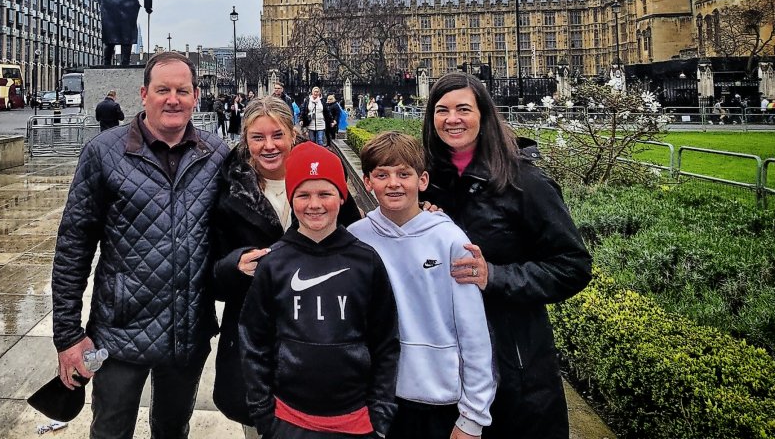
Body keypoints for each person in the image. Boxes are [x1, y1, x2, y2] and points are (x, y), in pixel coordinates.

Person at [51, 51, 229, 439]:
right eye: (163, 89)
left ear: (195, 96)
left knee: (173, 429)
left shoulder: (216, 156)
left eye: (182, 90)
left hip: (188, 332)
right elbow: (73, 246)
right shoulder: (103, 152)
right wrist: (67, 334)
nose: (173, 99)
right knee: (111, 431)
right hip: (119, 333)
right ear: (144, 93)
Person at [421, 72, 591, 439]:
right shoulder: (429, 181)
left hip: (516, 367)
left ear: (483, 114)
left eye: (463, 109)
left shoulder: (524, 182)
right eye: (442, 110)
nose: (452, 119)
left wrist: (494, 276)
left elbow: (573, 266)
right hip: (447, 368)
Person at [211, 97, 361, 434]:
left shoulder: (323, 173)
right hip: (256, 340)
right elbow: (212, 273)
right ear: (245, 139)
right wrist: (235, 265)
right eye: (257, 137)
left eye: (277, 135)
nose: (269, 146)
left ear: (293, 133)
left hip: (320, 333)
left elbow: (357, 240)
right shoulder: (229, 190)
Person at [240, 141, 399, 439]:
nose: (314, 205)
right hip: (288, 419)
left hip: (357, 421)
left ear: (341, 198)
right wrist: (263, 413)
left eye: (325, 193)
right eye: (304, 195)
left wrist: (380, 413)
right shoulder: (274, 262)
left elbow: (386, 342)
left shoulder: (366, 261)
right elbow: (254, 341)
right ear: (292, 198)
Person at [351, 132, 495, 439]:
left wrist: (473, 415)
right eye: (382, 175)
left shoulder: (450, 240)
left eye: (404, 174)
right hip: (376, 396)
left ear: (423, 180)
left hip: (438, 398)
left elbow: (473, 332)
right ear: (367, 182)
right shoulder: (356, 239)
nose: (393, 183)